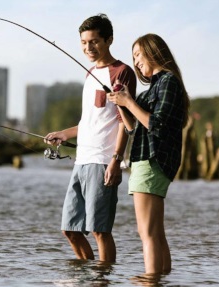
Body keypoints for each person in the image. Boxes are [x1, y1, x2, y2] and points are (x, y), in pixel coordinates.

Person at [44, 13, 137, 262]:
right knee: (70, 230)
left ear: (109, 40)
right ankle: (89, 276)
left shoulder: (122, 72)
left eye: (94, 41)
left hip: (103, 162)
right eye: (84, 42)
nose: (88, 48)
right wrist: (63, 134)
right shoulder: (89, 74)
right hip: (81, 161)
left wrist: (116, 160)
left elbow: (125, 123)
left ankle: (103, 279)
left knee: (100, 230)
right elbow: (89, 121)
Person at [107, 33, 190, 274]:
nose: (135, 61)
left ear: (153, 51)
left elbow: (157, 124)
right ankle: (160, 279)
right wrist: (122, 104)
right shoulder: (151, 90)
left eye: (138, 54)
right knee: (155, 233)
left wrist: (129, 103)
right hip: (146, 162)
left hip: (152, 162)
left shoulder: (168, 83)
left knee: (147, 233)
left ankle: (150, 280)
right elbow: (134, 128)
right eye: (133, 58)